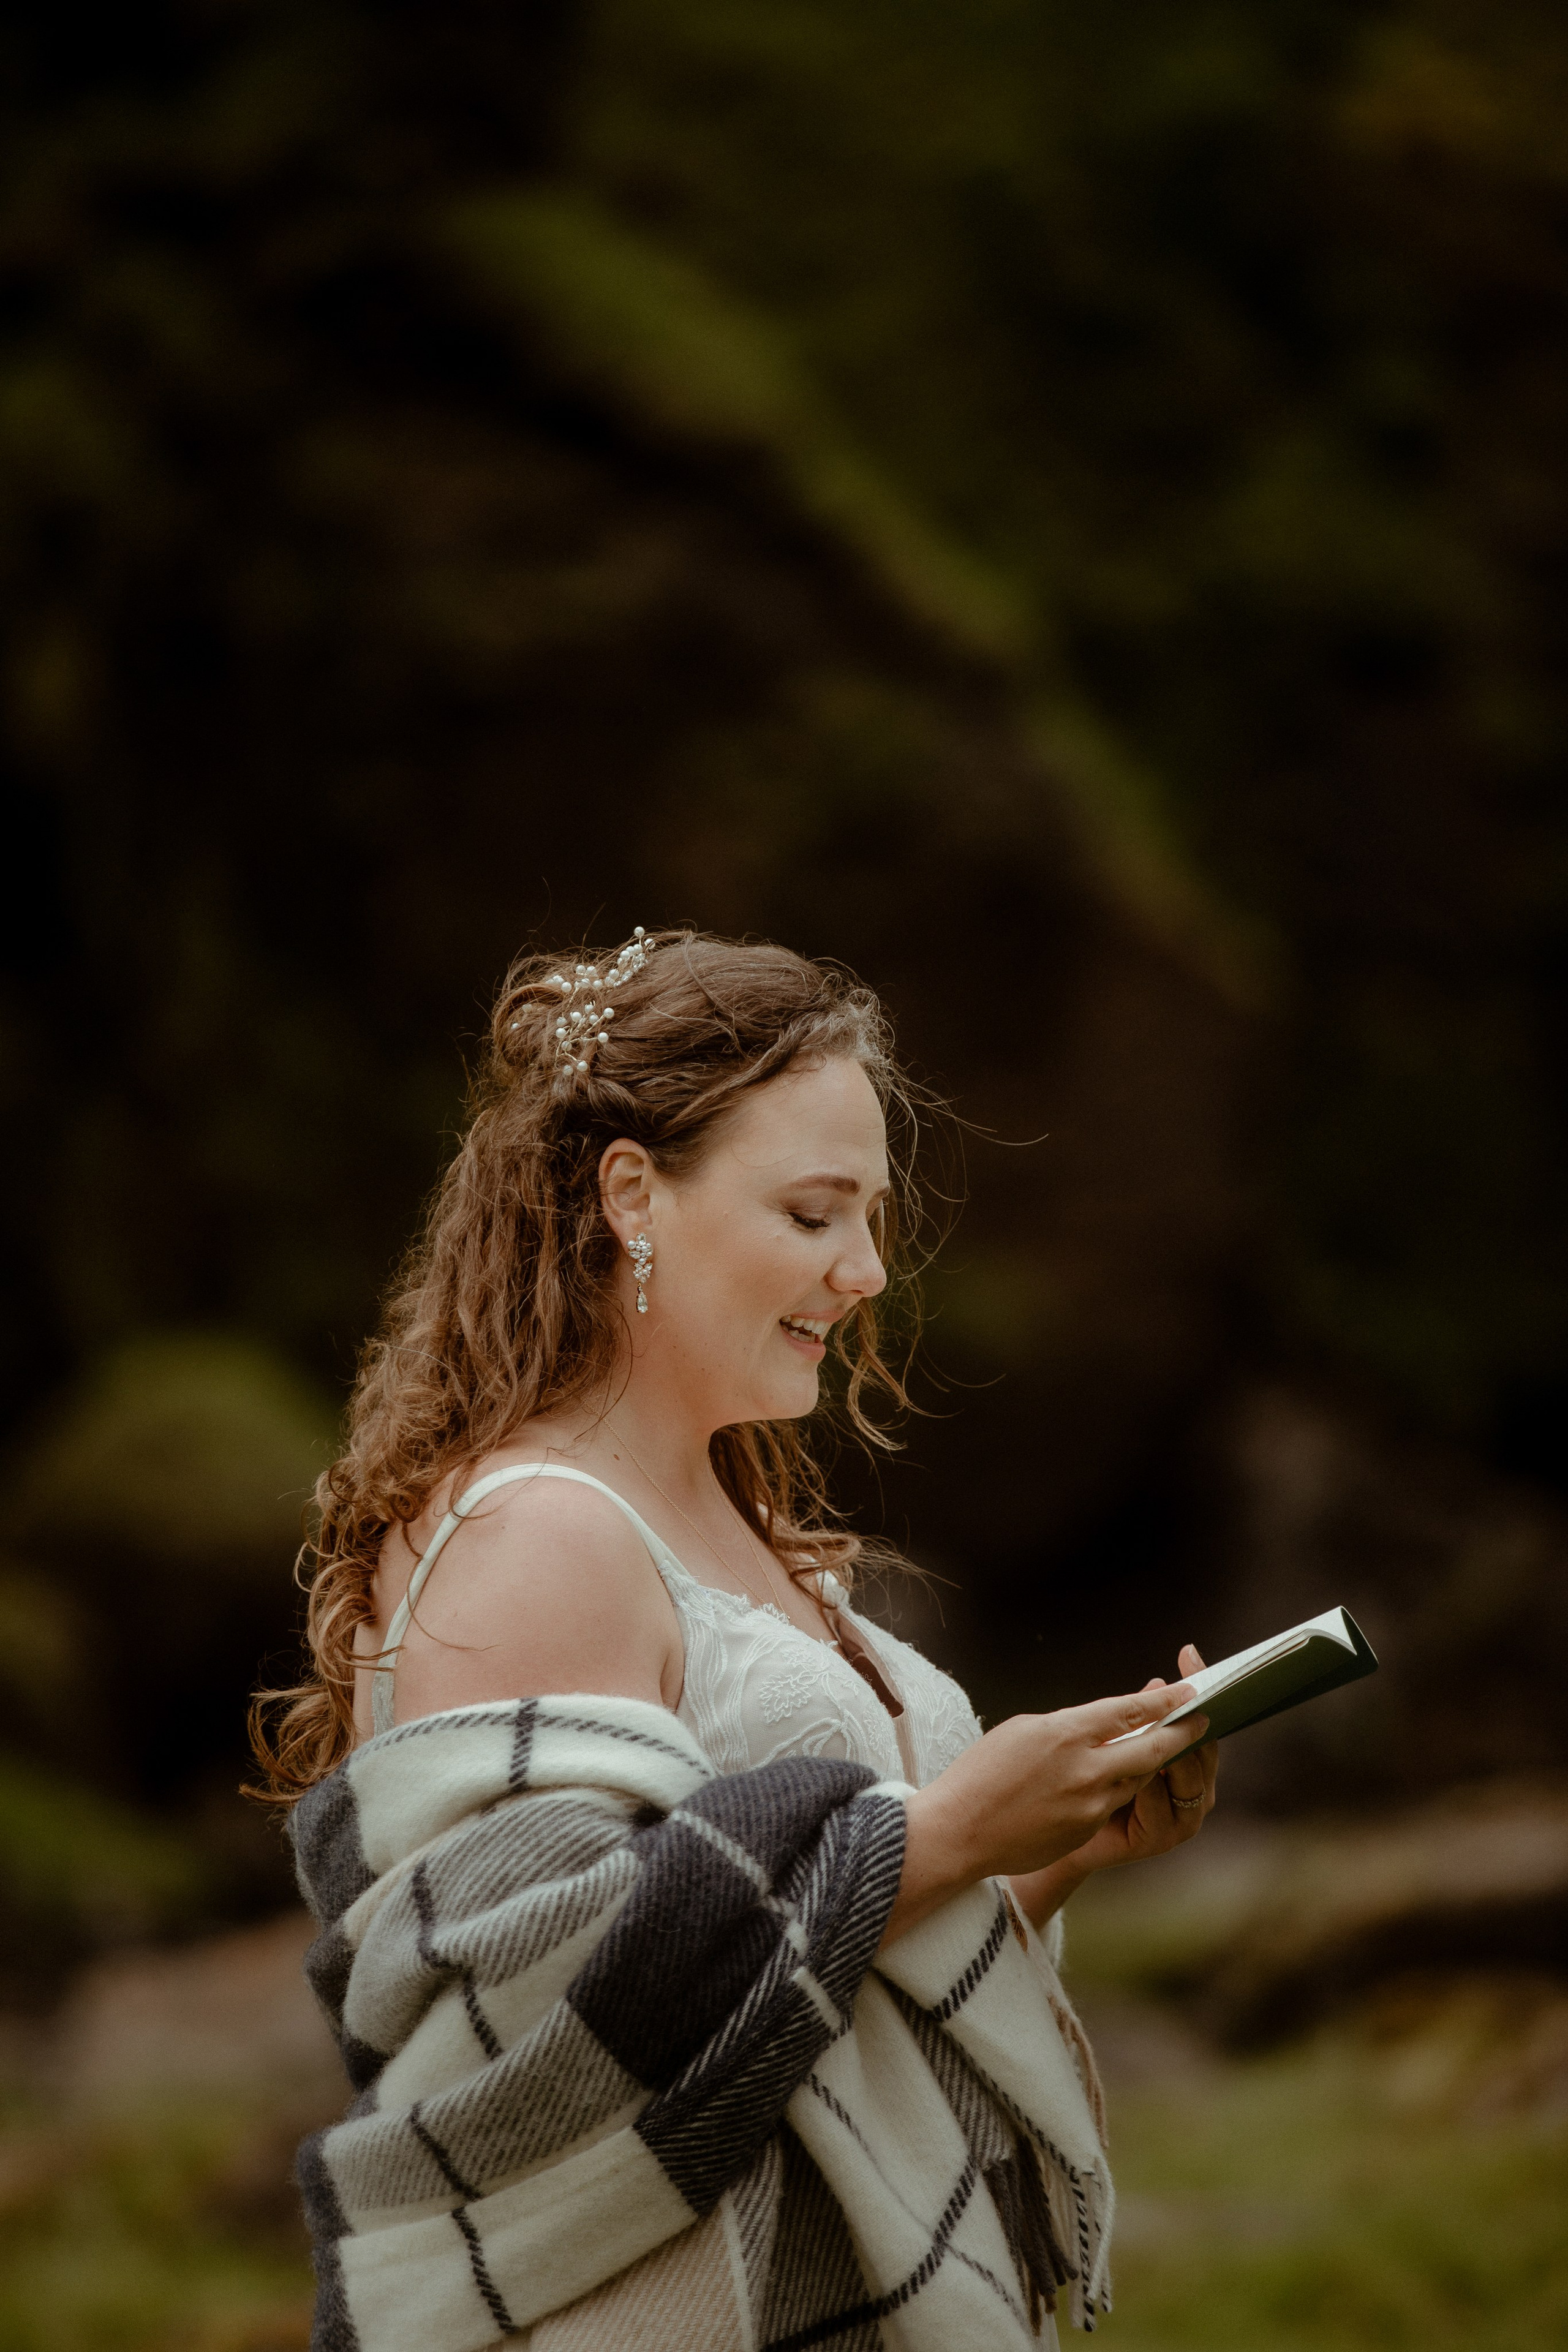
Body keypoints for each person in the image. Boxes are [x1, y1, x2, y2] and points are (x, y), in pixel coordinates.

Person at [252, 928, 1217, 2352]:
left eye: (873, 1219)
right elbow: (551, 2030)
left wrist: (1053, 1845)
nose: (867, 1272)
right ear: (632, 1196)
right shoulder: (539, 1536)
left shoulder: (732, 1515)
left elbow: (819, 1989)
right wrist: (948, 1832)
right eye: (814, 1215)